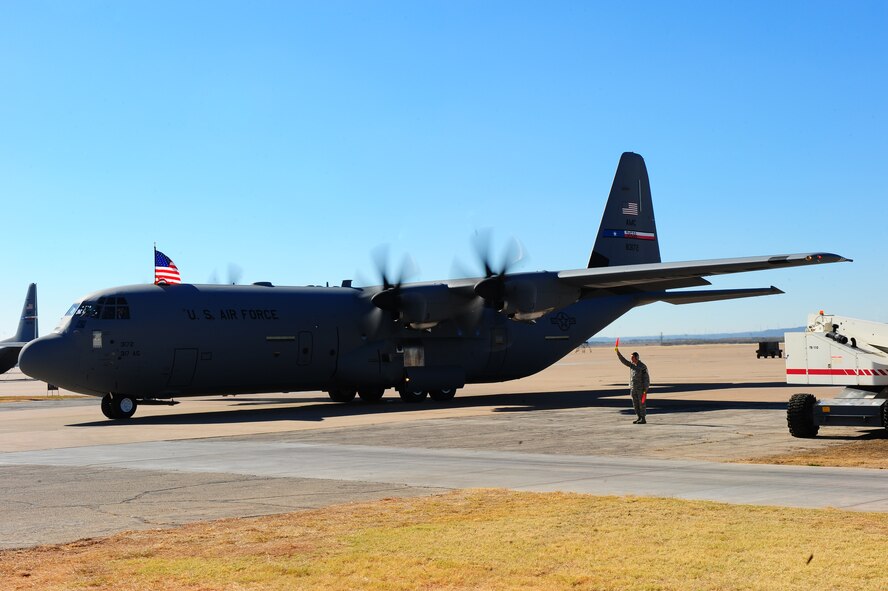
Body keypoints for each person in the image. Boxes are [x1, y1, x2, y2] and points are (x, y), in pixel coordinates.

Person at [615, 346, 650, 424]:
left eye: (633, 357)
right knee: (635, 403)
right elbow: (624, 361)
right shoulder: (632, 365)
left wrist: (645, 388)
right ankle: (639, 417)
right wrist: (618, 353)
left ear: (636, 357)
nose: (631, 359)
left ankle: (643, 418)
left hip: (641, 389)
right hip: (633, 388)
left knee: (642, 404)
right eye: (631, 358)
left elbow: (646, 378)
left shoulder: (642, 366)